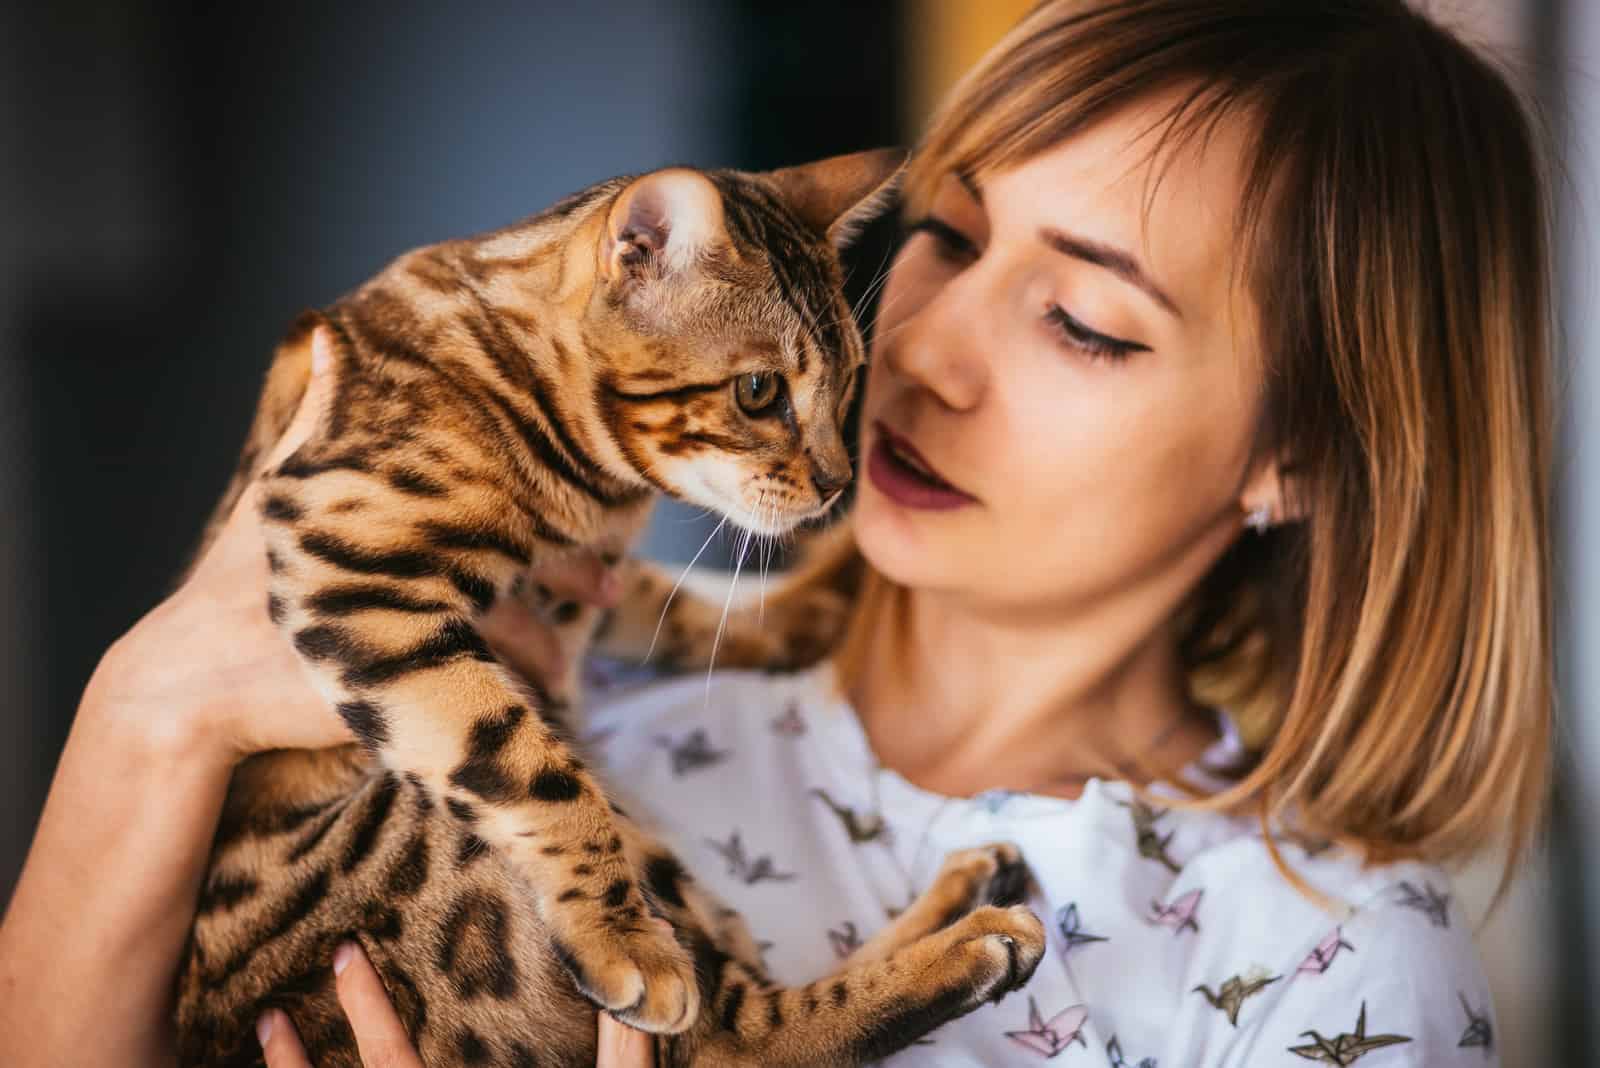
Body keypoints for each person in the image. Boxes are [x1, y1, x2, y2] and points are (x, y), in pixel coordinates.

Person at [0, 1, 1552, 1065]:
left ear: (1297, 458)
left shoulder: (1333, 966)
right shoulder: (566, 659)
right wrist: (155, 706)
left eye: (1084, 322)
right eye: (944, 232)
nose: (924, 350)